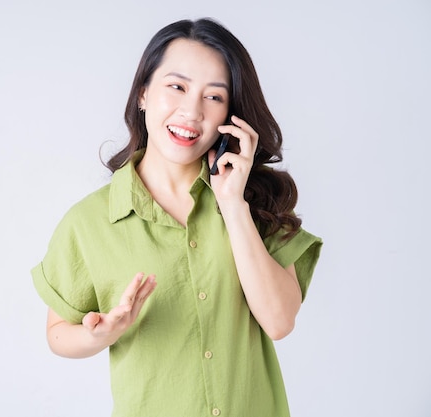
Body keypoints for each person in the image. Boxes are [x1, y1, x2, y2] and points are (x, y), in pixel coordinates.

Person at [32, 17, 323, 417]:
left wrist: (233, 205)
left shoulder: (256, 202)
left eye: (214, 96)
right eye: (177, 86)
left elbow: (279, 321)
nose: (192, 111)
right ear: (143, 94)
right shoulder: (89, 222)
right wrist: (99, 334)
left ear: (231, 113)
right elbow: (57, 334)